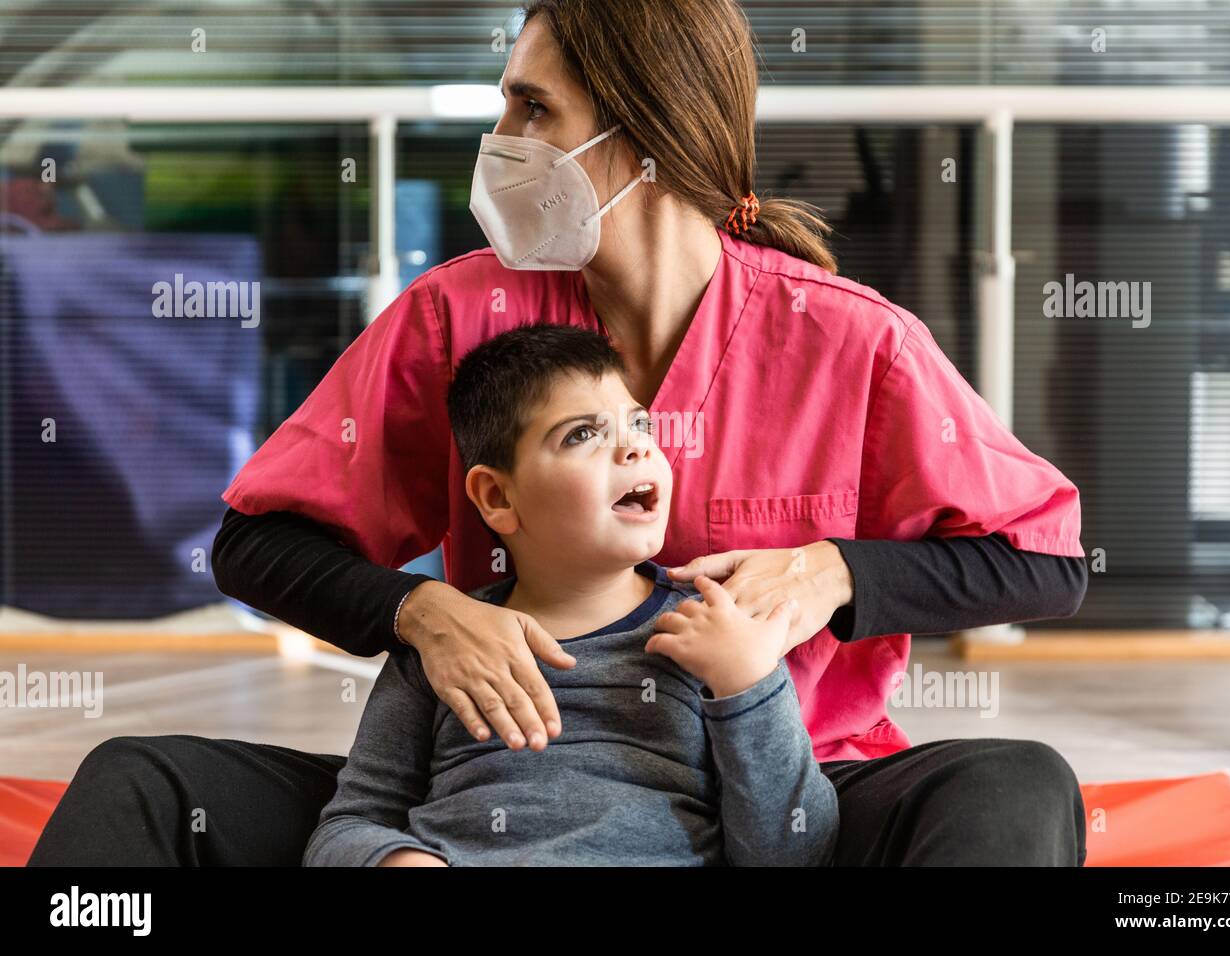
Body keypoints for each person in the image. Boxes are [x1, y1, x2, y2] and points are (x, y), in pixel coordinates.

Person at [29, 0, 1088, 867]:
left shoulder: (853, 342)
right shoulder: (457, 319)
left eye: (533, 109)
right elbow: (252, 541)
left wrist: (831, 573)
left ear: (646, 133)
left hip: (787, 801)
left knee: (1015, 783)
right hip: (498, 799)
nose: (503, 141)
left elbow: (1044, 566)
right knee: (144, 782)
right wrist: (419, 609)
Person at [305, 323, 838, 867]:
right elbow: (349, 824)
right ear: (496, 496)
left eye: (639, 423)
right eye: (582, 434)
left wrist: (746, 684)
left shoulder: (719, 637)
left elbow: (796, 851)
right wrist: (396, 860)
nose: (634, 447)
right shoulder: (442, 646)